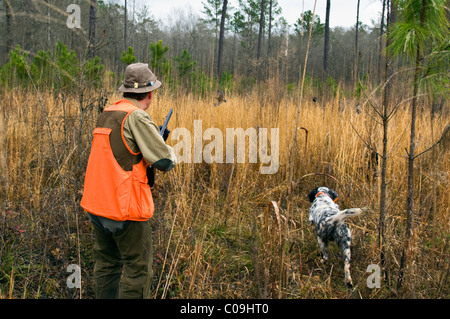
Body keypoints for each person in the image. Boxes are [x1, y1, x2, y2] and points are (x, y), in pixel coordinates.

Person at [80, 63, 176, 299]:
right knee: (138, 269)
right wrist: (166, 149)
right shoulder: (137, 117)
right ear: (150, 93)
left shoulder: (107, 113)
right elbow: (164, 161)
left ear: (126, 91)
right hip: (125, 210)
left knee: (107, 265)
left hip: (98, 207)